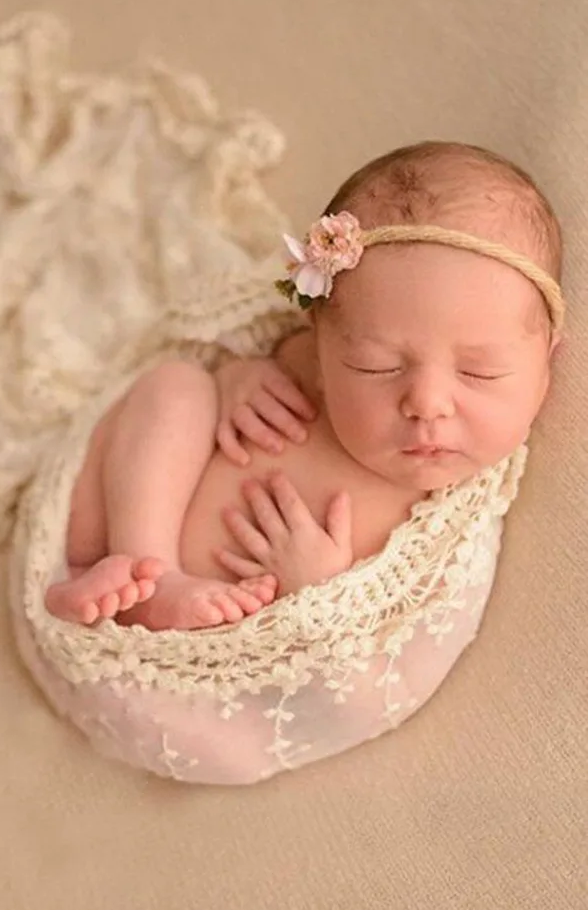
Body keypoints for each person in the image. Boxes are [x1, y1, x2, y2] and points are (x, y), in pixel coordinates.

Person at [44, 141, 565, 630]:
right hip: (112, 532)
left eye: (479, 373)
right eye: (375, 366)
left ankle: (109, 601)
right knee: (175, 386)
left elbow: (377, 660)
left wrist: (320, 591)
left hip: (224, 629)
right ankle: (140, 569)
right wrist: (238, 385)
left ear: (546, 362)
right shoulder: (307, 362)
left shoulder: (449, 523)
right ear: (323, 346)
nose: (426, 403)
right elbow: (250, 359)